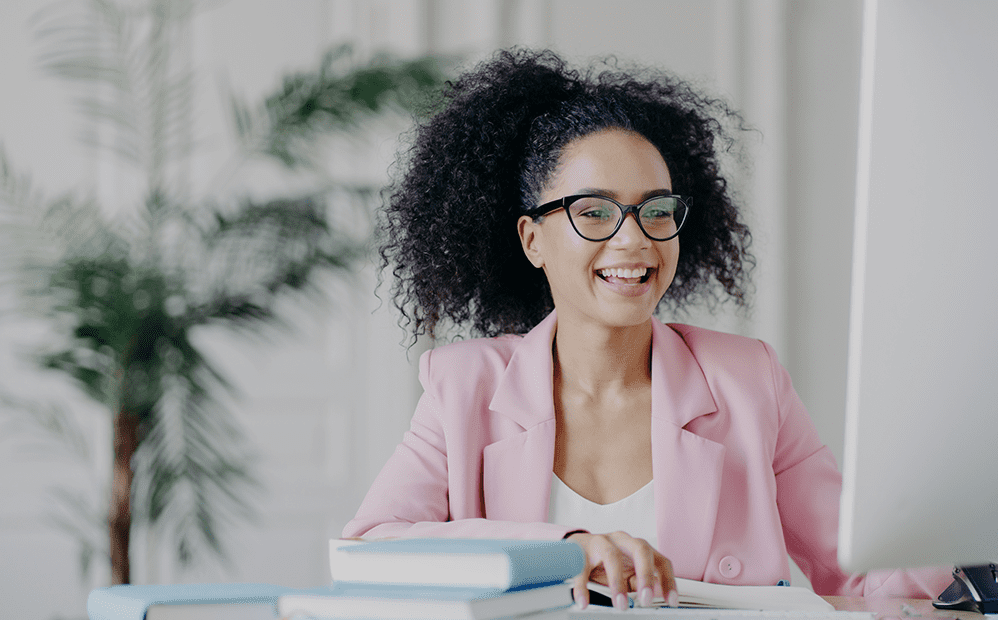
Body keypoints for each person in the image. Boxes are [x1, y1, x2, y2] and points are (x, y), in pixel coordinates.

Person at [341, 49, 949, 608]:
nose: (634, 239)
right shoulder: (462, 386)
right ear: (533, 239)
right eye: (595, 211)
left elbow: (867, 569)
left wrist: (970, 556)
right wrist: (564, 549)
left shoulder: (748, 379)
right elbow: (372, 549)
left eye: (656, 210)